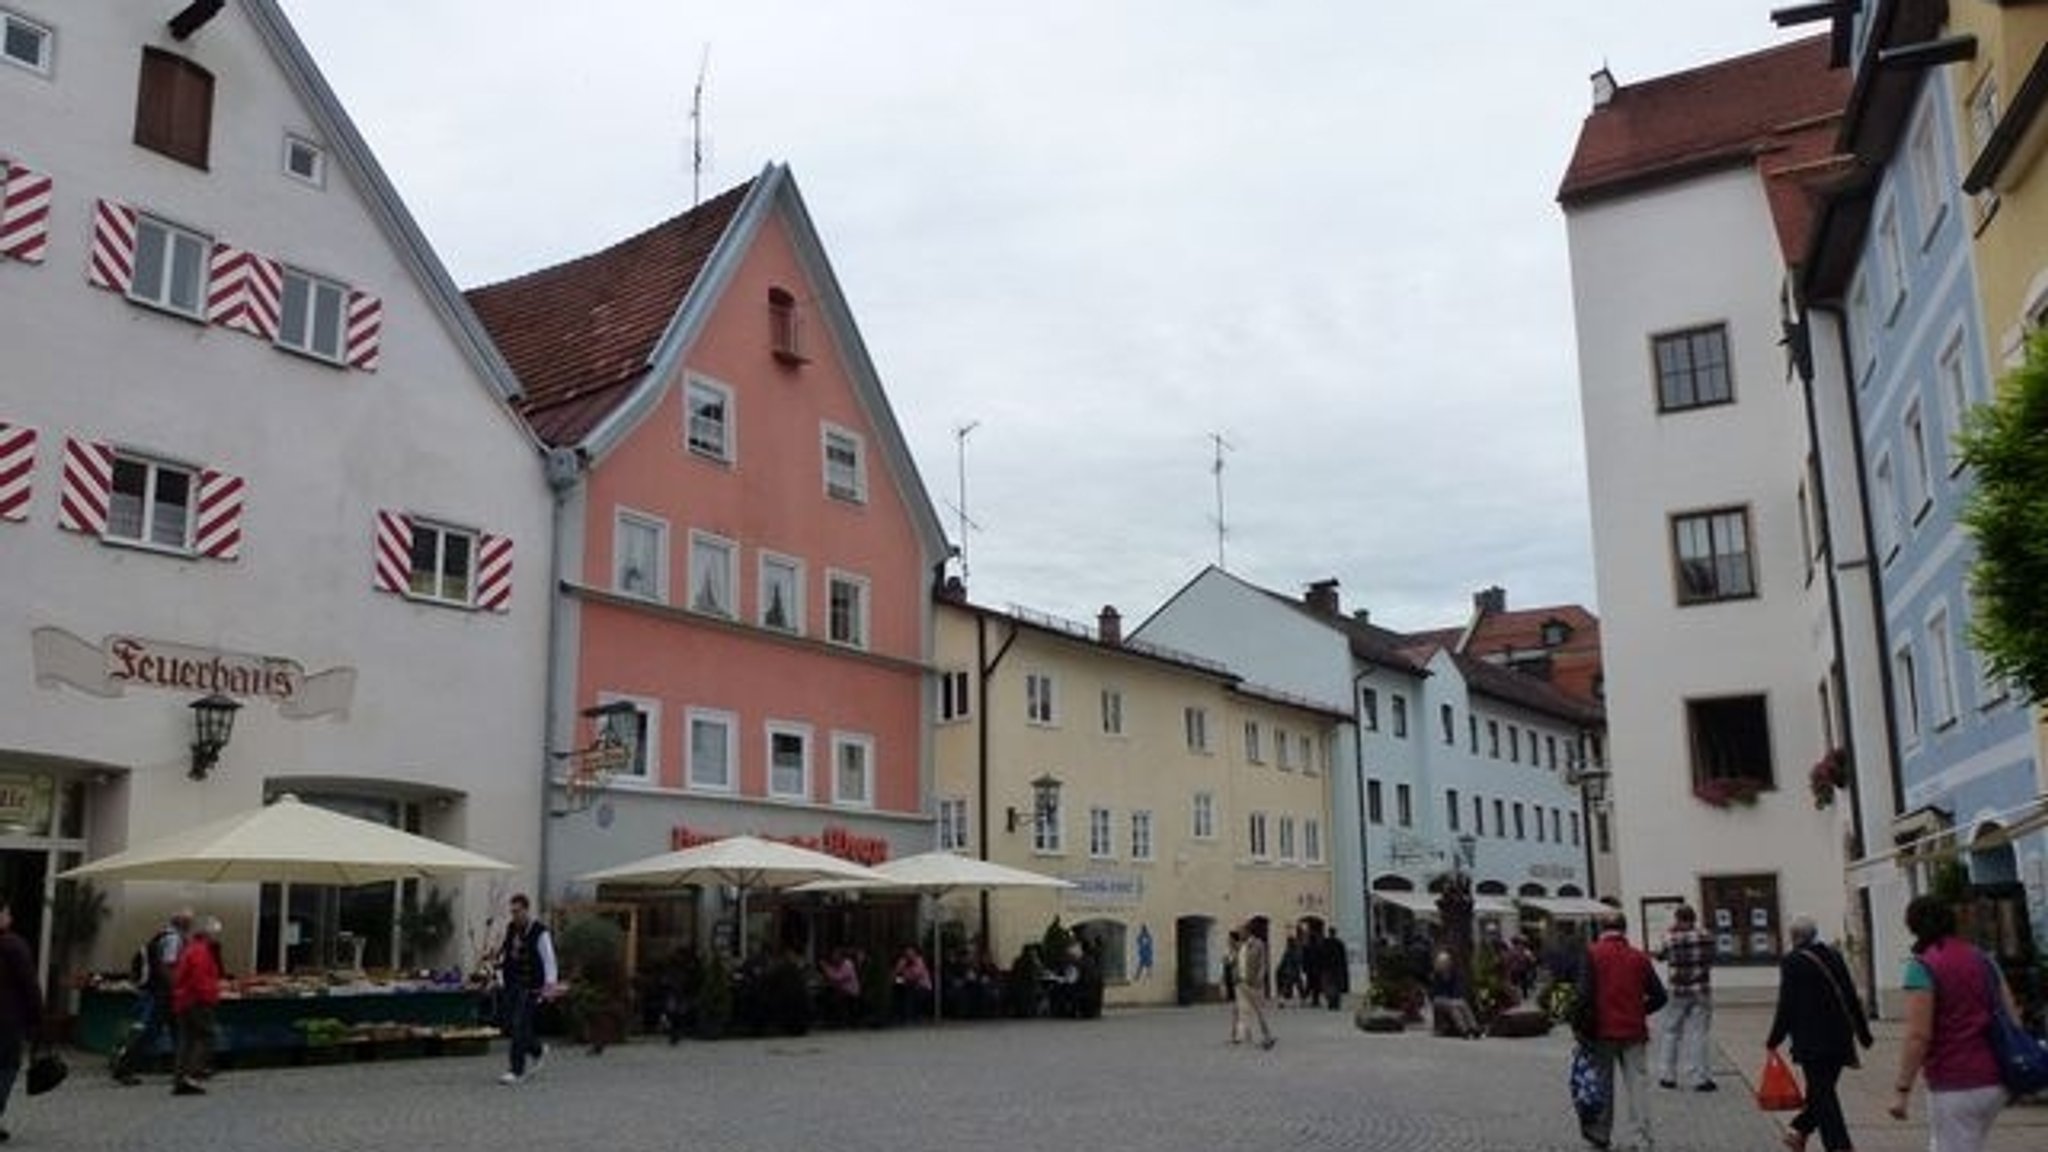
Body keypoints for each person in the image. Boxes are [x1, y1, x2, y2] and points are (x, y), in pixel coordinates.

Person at [1886, 894, 2016, 1152]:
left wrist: (1902, 1089)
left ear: (1912, 926)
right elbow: (2013, 1016)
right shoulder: (1983, 959)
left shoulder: (1923, 966)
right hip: (1994, 1079)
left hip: (1954, 1082)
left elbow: (1918, 1036)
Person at [1766, 916, 1872, 1152]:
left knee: (1823, 1094)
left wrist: (1774, 1038)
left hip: (1811, 1041)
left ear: (1794, 938)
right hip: (1840, 1038)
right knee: (1822, 1092)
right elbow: (1849, 994)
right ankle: (1800, 1132)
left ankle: (1838, 1146)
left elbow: (1787, 1004)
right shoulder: (1834, 955)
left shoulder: (1792, 961)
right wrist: (1863, 1033)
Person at [1575, 912, 1667, 1152]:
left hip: (1601, 1032)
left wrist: (1579, 1029)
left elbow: (1583, 996)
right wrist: (1640, 1010)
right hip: (1634, 1031)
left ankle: (1600, 1135)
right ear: (1624, 930)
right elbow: (1660, 996)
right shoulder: (1639, 957)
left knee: (1603, 1085)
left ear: (1602, 930)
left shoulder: (1592, 953)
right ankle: (1641, 1138)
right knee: (1638, 1086)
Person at [114, 908, 190, 1085]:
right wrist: (174, 988)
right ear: (182, 923)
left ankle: (184, 1071)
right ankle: (123, 1068)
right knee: (152, 1032)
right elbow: (168, 966)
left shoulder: (163, 935)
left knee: (178, 1031)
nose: (190, 925)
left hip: (162, 992)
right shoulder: (173, 938)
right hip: (165, 993)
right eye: (188, 921)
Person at [496, 893, 558, 1085]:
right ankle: (537, 1049)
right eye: (512, 912)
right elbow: (506, 954)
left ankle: (517, 1070)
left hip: (532, 986)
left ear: (526, 910)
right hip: (513, 984)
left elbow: (549, 960)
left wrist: (550, 986)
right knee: (513, 1024)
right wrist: (497, 971)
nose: (514, 915)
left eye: (517, 911)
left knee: (519, 1024)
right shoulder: (511, 929)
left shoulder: (540, 932)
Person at [1656, 904, 1716, 1091]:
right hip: (1701, 990)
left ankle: (1668, 1076)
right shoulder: (1706, 936)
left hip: (1678, 991)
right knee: (1698, 1034)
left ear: (1677, 919)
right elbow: (1713, 956)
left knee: (1671, 1032)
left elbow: (1659, 956)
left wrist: (1670, 932)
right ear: (1694, 918)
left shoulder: (1670, 938)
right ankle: (1700, 1078)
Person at [0, 902, 44, 1140]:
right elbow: (29, 985)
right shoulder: (13, 945)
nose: (10, 916)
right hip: (6, 1020)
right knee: (7, 1066)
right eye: (6, 912)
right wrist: (37, 1018)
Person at [170, 916, 222, 1096]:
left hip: (183, 1000)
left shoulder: (191, 949)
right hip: (196, 1001)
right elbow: (200, 979)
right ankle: (191, 1075)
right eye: (216, 933)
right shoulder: (201, 952)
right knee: (207, 1036)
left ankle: (180, 1078)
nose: (217, 937)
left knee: (187, 1041)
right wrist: (210, 998)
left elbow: (180, 976)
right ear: (208, 934)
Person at [1232, 919, 1276, 1050]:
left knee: (1258, 1010)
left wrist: (1260, 977)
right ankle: (1242, 1036)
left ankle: (1265, 1035)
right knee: (1243, 1009)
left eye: (1240, 931)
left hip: (1253, 982)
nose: (1239, 934)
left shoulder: (1258, 944)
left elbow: (1263, 963)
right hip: (1240, 981)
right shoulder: (1239, 945)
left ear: (1247, 931)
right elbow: (1236, 962)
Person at [1429, 950, 1483, 1038]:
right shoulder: (1436, 975)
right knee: (1453, 1006)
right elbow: (1434, 992)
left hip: (1451, 998)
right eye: (1443, 962)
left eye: (1447, 962)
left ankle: (1474, 1027)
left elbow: (1456, 988)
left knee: (1463, 1004)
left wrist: (1455, 997)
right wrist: (1449, 998)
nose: (1445, 964)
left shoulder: (1454, 974)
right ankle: (1463, 1029)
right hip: (1439, 998)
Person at [891, 945, 932, 1023]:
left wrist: (903, 970)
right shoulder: (904, 962)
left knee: (910, 991)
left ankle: (910, 1016)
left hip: (923, 986)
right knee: (899, 988)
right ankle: (900, 1015)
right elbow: (896, 978)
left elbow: (914, 976)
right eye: (907, 952)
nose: (909, 954)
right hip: (909, 984)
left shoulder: (919, 961)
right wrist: (898, 968)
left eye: (910, 952)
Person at [1221, 929, 1241, 1040]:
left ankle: (1236, 1033)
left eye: (1229, 939)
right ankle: (1236, 1033)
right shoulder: (1231, 951)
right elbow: (1226, 967)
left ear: (1234, 940)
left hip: (1240, 982)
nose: (1228, 941)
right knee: (1237, 1009)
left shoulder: (1240, 950)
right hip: (1232, 983)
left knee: (1238, 1009)